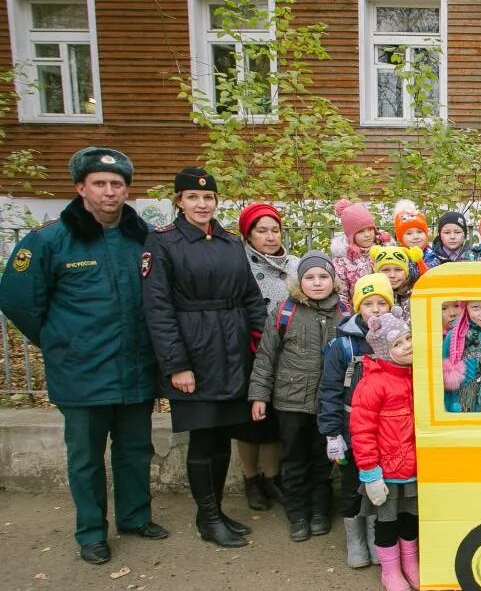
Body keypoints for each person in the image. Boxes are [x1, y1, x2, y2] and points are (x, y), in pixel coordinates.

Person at [0, 147, 165, 565]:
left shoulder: (140, 236)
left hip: (135, 368)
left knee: (134, 450)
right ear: (80, 188)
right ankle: (92, 531)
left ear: (127, 190)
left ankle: (135, 517)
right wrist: (59, 341)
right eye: (100, 184)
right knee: (86, 458)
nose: (110, 192)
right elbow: (18, 300)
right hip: (81, 372)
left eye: (117, 184)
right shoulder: (49, 239)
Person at [142, 168, 267, 548]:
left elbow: (249, 296)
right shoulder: (162, 243)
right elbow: (158, 309)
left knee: (222, 436)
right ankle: (208, 518)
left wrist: (264, 344)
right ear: (179, 201)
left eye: (208, 198)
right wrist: (177, 365)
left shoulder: (230, 242)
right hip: (193, 352)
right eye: (193, 198)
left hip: (231, 349)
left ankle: (213, 512)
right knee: (202, 438)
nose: (202, 204)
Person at [248, 251, 347, 542]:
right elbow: (266, 357)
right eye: (310, 277)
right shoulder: (284, 311)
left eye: (323, 277)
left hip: (328, 403)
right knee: (293, 460)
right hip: (290, 402)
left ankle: (319, 511)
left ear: (332, 280)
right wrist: (258, 396)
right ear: (299, 281)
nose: (317, 283)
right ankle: (298, 514)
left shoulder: (343, 313)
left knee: (322, 460)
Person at [317, 272, 393, 569]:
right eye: (369, 303)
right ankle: (355, 538)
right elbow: (330, 391)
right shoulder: (343, 345)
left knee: (379, 481)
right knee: (351, 483)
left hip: (385, 425)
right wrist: (332, 434)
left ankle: (376, 536)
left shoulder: (396, 339)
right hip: (351, 426)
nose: (375, 309)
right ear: (358, 306)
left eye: (381, 303)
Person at [349, 307, 420, 591]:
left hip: (415, 467)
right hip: (388, 471)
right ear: (383, 351)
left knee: (410, 518)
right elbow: (362, 431)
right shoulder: (373, 383)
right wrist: (370, 473)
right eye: (398, 344)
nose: (407, 347)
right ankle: (390, 570)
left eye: (408, 338)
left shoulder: (417, 375)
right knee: (386, 521)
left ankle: (411, 563)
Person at [236, 201, 294, 511]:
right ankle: (251, 478)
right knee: (249, 420)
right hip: (249, 348)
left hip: (286, 349)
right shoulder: (238, 263)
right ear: (248, 234)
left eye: (275, 230)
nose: (270, 237)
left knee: (273, 417)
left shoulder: (295, 265)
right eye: (262, 231)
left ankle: (273, 477)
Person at [331, 199, 380, 310]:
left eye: (370, 229)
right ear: (351, 235)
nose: (367, 235)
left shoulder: (384, 251)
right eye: (361, 231)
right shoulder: (342, 261)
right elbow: (341, 294)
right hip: (357, 314)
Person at [371, 245, 414, 310]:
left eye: (398, 270)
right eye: (385, 270)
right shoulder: (370, 295)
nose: (392, 275)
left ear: (407, 272)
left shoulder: (415, 295)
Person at [392, 200, 431, 270]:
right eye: (409, 233)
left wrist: (419, 261)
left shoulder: (432, 256)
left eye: (419, 232)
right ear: (400, 238)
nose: (416, 237)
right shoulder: (395, 256)